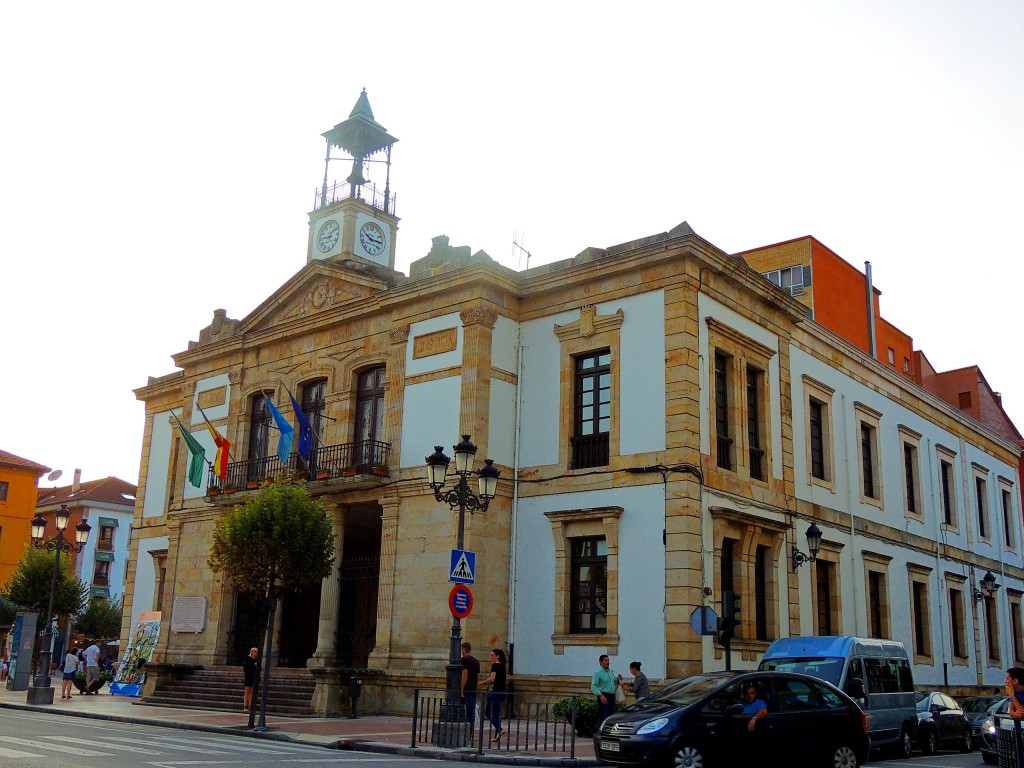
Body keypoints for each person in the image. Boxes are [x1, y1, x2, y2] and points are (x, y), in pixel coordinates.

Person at [480, 648, 507, 743]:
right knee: (496, 713)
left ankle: (499, 729)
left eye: (492, 655)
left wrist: (480, 683)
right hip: (502, 692)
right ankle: (497, 735)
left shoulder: (495, 665)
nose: (490, 657)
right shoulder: (502, 666)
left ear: (497, 656)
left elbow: (492, 679)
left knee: (488, 712)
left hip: (495, 692)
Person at [591, 654, 622, 726]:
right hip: (604, 696)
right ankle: (600, 732)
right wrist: (601, 696)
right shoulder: (597, 673)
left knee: (611, 716)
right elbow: (593, 686)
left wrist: (617, 679)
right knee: (603, 716)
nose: (608, 662)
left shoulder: (611, 672)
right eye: (606, 660)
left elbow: (612, 682)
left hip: (612, 696)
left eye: (608, 660)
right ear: (601, 662)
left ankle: (609, 732)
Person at [460, 642, 480, 730]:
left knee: (461, 711)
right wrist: (476, 687)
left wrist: (461, 688)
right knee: (471, 713)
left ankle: (464, 733)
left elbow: (465, 674)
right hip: (473, 689)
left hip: (466, 689)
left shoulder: (463, 660)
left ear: (464, 649)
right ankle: (470, 734)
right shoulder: (476, 661)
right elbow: (477, 676)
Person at [242, 647, 259, 712]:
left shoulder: (256, 660)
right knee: (247, 691)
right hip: (248, 676)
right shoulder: (247, 659)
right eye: (255, 652)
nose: (257, 653)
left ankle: (251, 705)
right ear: (252, 652)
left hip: (253, 677)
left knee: (251, 692)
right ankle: (245, 705)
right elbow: (246, 668)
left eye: (257, 652)